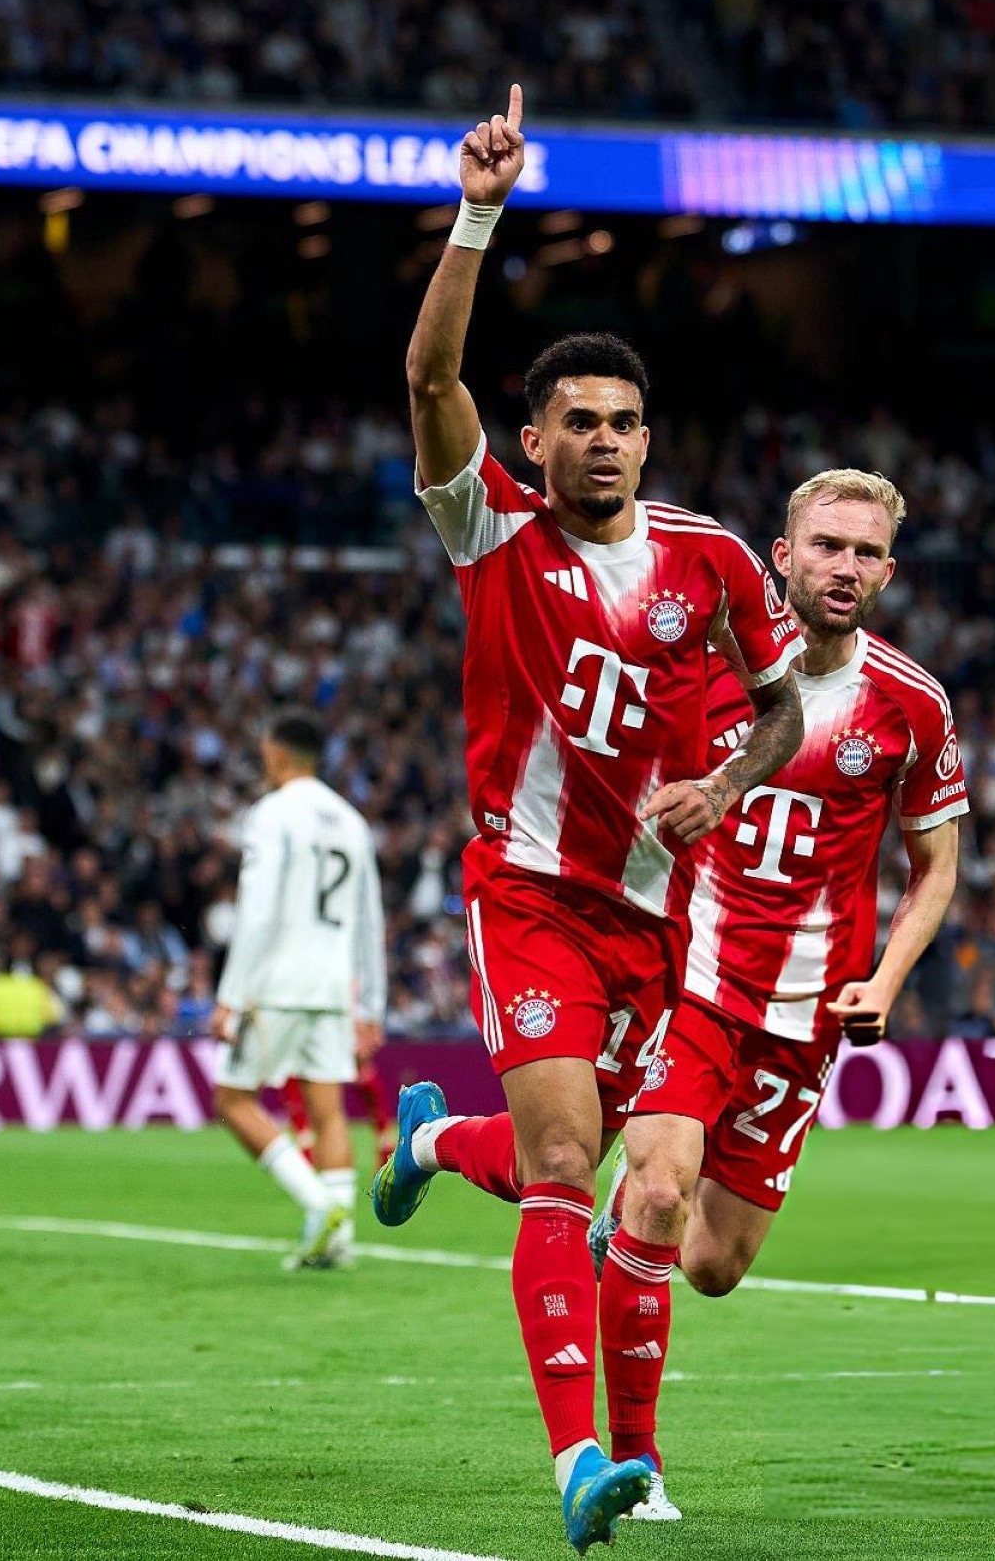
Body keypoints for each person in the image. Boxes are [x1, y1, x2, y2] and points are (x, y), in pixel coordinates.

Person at [368, 83, 805, 1553]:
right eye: (579, 423)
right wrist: (477, 214)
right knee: (569, 1168)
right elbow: (429, 374)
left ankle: (434, 1144)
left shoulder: (716, 562)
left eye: (624, 423)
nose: (605, 442)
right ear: (534, 439)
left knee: (573, 1151)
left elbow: (785, 710)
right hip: (530, 893)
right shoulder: (491, 525)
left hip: (658, 919)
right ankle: (579, 1463)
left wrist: (728, 785)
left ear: (646, 439)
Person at [589, 469, 965, 1516]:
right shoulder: (705, 664)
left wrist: (885, 979)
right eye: (826, 546)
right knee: (661, 1192)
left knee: (713, 1264)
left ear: (888, 571)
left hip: (806, 1016)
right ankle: (636, 1466)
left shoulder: (914, 705)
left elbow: (936, 868)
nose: (844, 567)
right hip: (690, 982)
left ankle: (591, 1208)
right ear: (783, 555)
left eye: (864, 552)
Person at [210, 709, 386, 1271]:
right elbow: (369, 920)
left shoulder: (272, 813)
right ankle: (337, 1242)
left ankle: (319, 1206)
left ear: (276, 752)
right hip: (332, 989)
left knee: (232, 1100)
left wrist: (231, 994)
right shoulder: (351, 821)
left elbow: (259, 911)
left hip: (277, 985)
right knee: (327, 1111)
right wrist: (371, 1005)